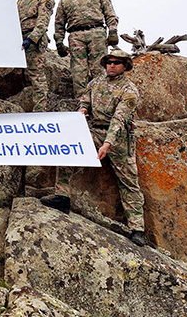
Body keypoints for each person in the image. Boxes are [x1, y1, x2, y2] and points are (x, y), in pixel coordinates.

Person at [41, 48, 146, 247]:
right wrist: (83, 109)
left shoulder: (129, 90)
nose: (111, 65)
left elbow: (120, 119)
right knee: (67, 152)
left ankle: (137, 229)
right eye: (109, 62)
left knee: (129, 181)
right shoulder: (97, 82)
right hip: (94, 130)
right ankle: (62, 197)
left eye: (116, 62)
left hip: (119, 139)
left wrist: (107, 144)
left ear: (125, 66)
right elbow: (85, 99)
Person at [54, 0, 119, 97]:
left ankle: (101, 100)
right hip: (75, 36)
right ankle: (82, 102)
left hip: (97, 33)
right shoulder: (64, 1)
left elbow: (110, 13)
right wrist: (59, 42)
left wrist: (113, 31)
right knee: (78, 71)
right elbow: (59, 23)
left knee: (99, 68)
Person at [16, 0, 55, 111]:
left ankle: (40, 110)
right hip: (19, 38)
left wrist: (32, 38)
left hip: (33, 40)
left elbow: (43, 21)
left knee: (36, 75)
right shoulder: (20, 1)